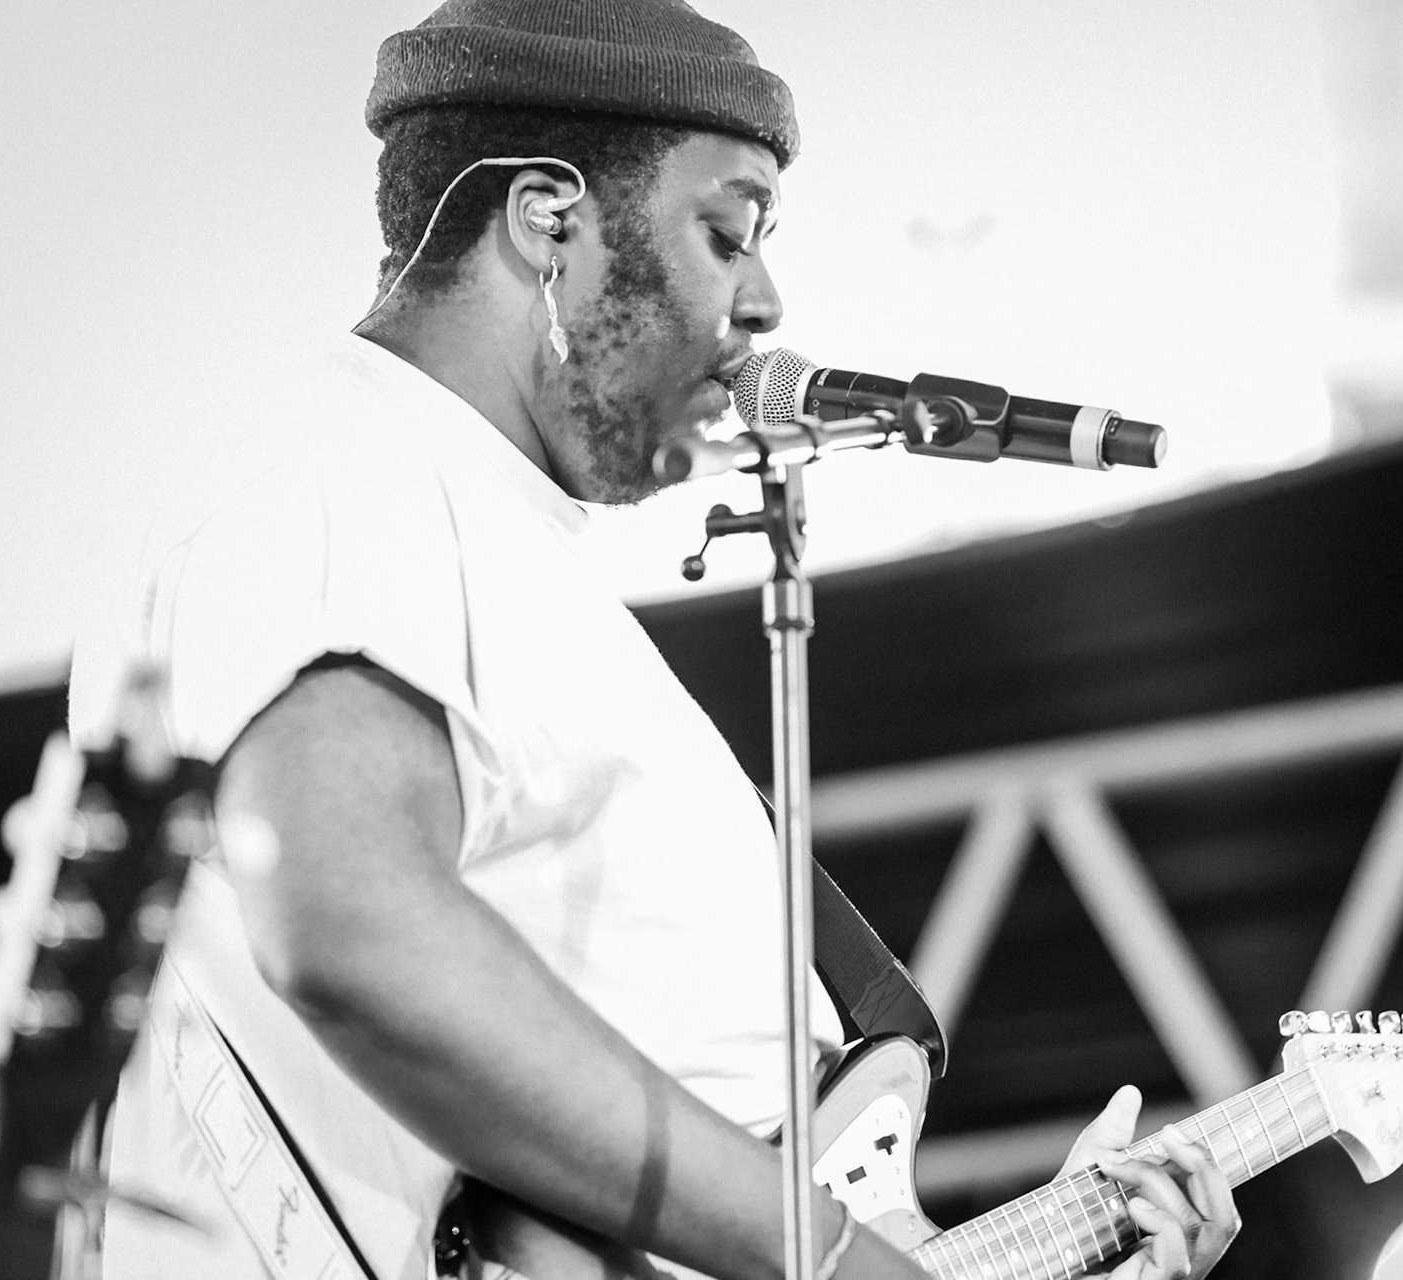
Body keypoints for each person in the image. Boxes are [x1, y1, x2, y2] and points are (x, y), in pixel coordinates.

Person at [68, 3, 1244, 1278]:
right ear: (547, 221)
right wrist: (839, 1254)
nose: (766, 301)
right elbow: (348, 921)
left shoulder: (506, 562)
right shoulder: (347, 463)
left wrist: (1002, 1247)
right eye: (725, 232)